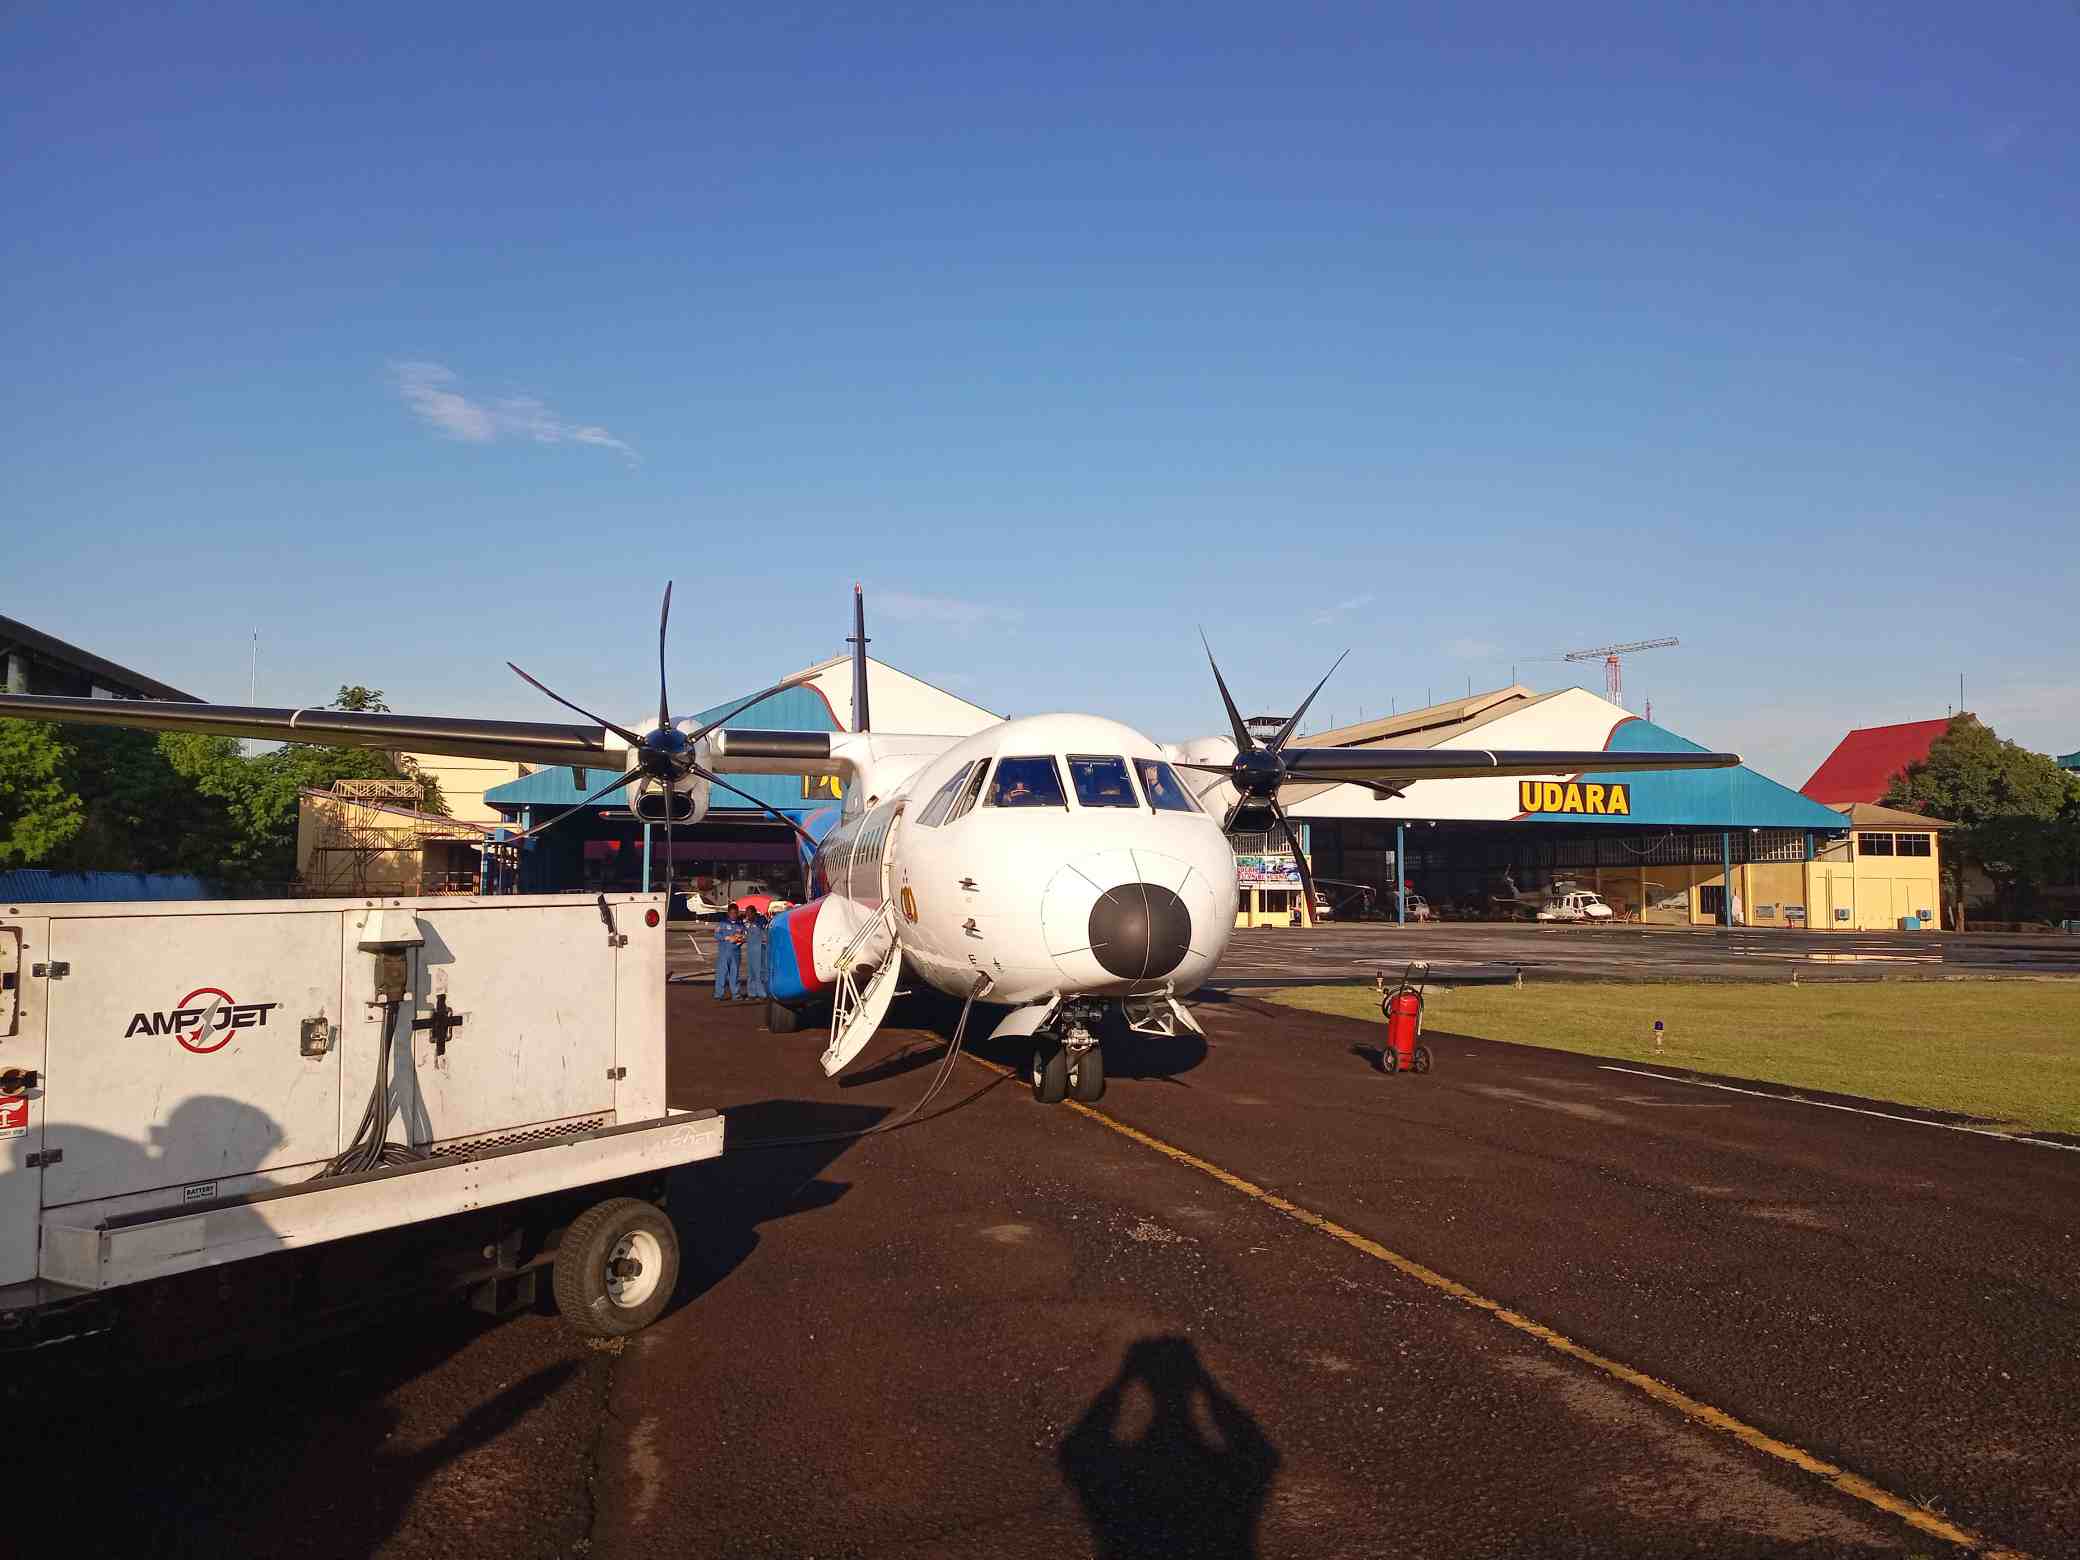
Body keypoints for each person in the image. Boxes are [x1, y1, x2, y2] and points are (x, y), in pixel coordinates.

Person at [714, 905, 743, 1001]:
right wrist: (726, 938)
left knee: (735, 975)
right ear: (728, 913)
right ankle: (719, 994)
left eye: (735, 913)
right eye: (732, 913)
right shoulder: (722, 924)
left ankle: (736, 994)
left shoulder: (740, 924)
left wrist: (740, 938)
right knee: (721, 974)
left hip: (736, 953)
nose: (734, 915)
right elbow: (716, 935)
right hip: (724, 953)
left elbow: (745, 935)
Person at [743, 907, 771, 1003]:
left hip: (759, 952)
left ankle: (762, 994)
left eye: (749, 913)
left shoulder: (760, 922)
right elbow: (745, 935)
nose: (747, 915)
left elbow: (765, 936)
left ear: (754, 913)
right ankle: (752, 993)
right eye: (746, 913)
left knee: (760, 973)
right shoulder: (747, 923)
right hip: (750, 951)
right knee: (751, 973)